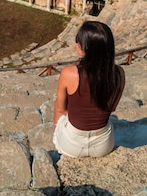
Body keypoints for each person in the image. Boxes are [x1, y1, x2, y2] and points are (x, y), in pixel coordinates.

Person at [53, 20, 125, 158]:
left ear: (84, 47)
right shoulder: (119, 74)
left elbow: (60, 109)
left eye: (77, 40)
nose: (76, 43)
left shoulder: (69, 73)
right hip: (103, 145)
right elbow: (112, 107)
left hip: (72, 145)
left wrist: (57, 133)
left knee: (59, 104)